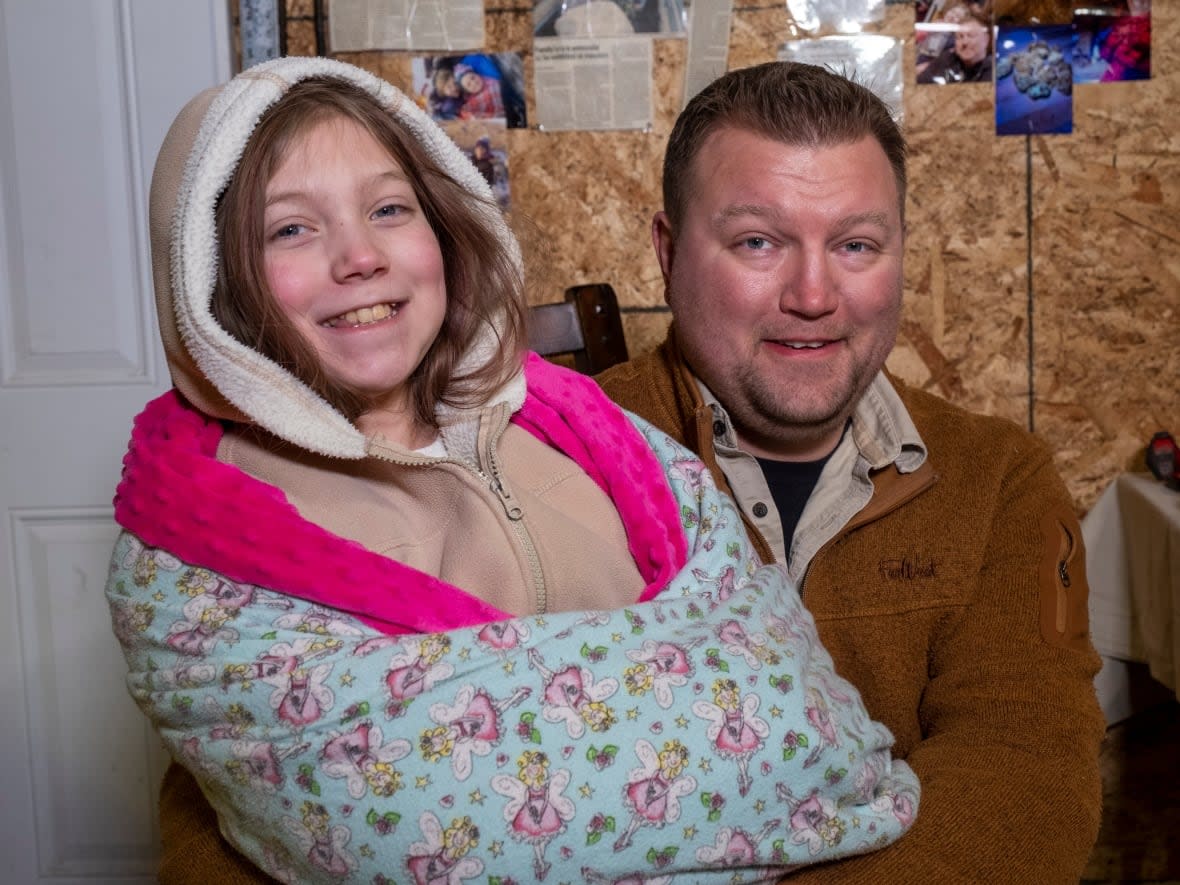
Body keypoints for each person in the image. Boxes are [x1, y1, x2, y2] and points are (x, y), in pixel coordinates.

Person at [104, 57, 920, 884]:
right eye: (290, 229)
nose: (359, 257)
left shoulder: (594, 433)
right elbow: (391, 822)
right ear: (215, 280)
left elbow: (819, 731)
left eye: (390, 209)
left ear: (448, 229)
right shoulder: (216, 526)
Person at [596, 61, 1105, 882]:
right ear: (667, 252)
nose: (812, 294)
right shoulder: (560, 461)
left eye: (856, 244)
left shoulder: (1009, 482)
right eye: (758, 241)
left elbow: (1031, 770)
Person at [917, 5, 994, 84]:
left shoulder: (991, 71)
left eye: (971, 36)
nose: (964, 42)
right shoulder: (947, 58)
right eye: (960, 37)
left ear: (986, 39)